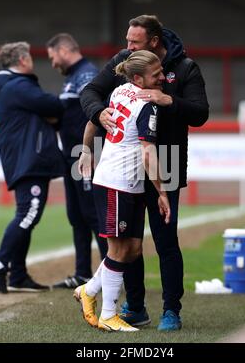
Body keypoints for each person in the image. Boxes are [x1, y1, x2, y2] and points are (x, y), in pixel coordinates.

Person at [80, 15, 209, 331]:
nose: (126, 48)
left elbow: (201, 113)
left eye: (133, 42)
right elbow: (90, 93)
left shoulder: (186, 67)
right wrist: (99, 112)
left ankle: (171, 310)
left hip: (166, 159)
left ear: (154, 41)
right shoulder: (127, 61)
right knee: (130, 239)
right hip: (130, 165)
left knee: (166, 240)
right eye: (127, 41)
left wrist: (169, 100)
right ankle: (134, 306)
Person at [74, 50, 171, 332]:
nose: (163, 77)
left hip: (123, 183)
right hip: (117, 182)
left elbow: (95, 119)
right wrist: (162, 192)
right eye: (157, 75)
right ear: (140, 78)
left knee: (133, 248)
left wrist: (86, 149)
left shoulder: (120, 91)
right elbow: (148, 152)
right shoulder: (147, 104)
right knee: (118, 249)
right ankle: (108, 314)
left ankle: (88, 290)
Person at [0, 42, 66, 293]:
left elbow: (47, 111)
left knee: (29, 214)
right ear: (22, 61)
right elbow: (55, 106)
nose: (31, 60)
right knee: (28, 213)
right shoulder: (19, 86)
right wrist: (48, 114)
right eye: (29, 56)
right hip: (29, 160)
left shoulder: (11, 87)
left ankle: (18, 274)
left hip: (27, 159)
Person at [46, 34, 108, 289]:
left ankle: (110, 272)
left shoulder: (86, 74)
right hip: (71, 157)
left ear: (63, 50)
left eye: (52, 57)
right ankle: (82, 273)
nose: (52, 63)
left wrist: (91, 151)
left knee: (93, 214)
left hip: (85, 156)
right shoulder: (72, 78)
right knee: (77, 215)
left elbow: (94, 116)